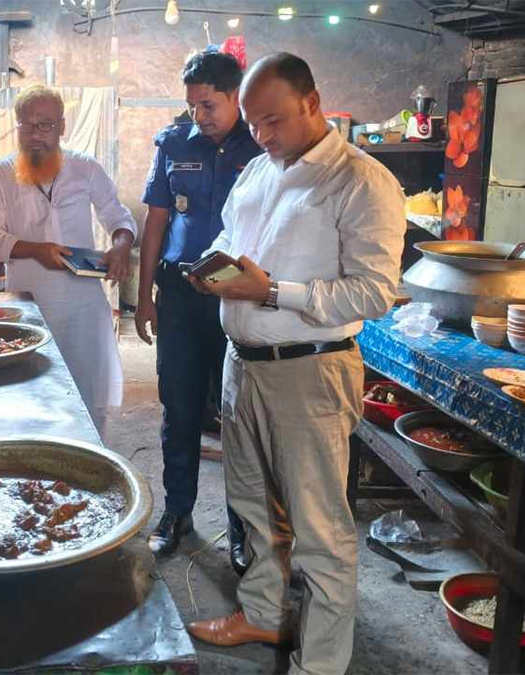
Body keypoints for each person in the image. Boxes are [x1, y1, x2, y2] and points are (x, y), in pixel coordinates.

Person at [184, 53, 405, 675]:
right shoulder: (257, 169)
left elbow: (373, 293)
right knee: (251, 505)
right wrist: (213, 270)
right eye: (253, 123)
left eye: (274, 120)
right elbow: (230, 241)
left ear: (313, 101)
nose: (263, 134)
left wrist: (272, 292)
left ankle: (321, 663)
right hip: (244, 363)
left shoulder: (361, 181)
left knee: (319, 529)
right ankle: (263, 613)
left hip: (311, 369)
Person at [136, 50, 263, 564]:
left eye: (209, 105)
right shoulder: (171, 144)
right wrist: (144, 296)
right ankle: (178, 511)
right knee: (180, 406)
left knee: (237, 417)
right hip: (182, 295)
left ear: (236, 97)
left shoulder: (262, 147)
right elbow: (156, 223)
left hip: (238, 294)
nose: (199, 115)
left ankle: (240, 527)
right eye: (192, 105)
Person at [0, 85, 136, 433]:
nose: (36, 135)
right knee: (33, 401)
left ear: (62, 127)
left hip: (83, 307)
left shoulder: (85, 168)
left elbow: (117, 216)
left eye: (46, 125)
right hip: (31, 307)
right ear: (16, 126)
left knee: (87, 399)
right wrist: (36, 250)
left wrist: (121, 246)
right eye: (28, 125)